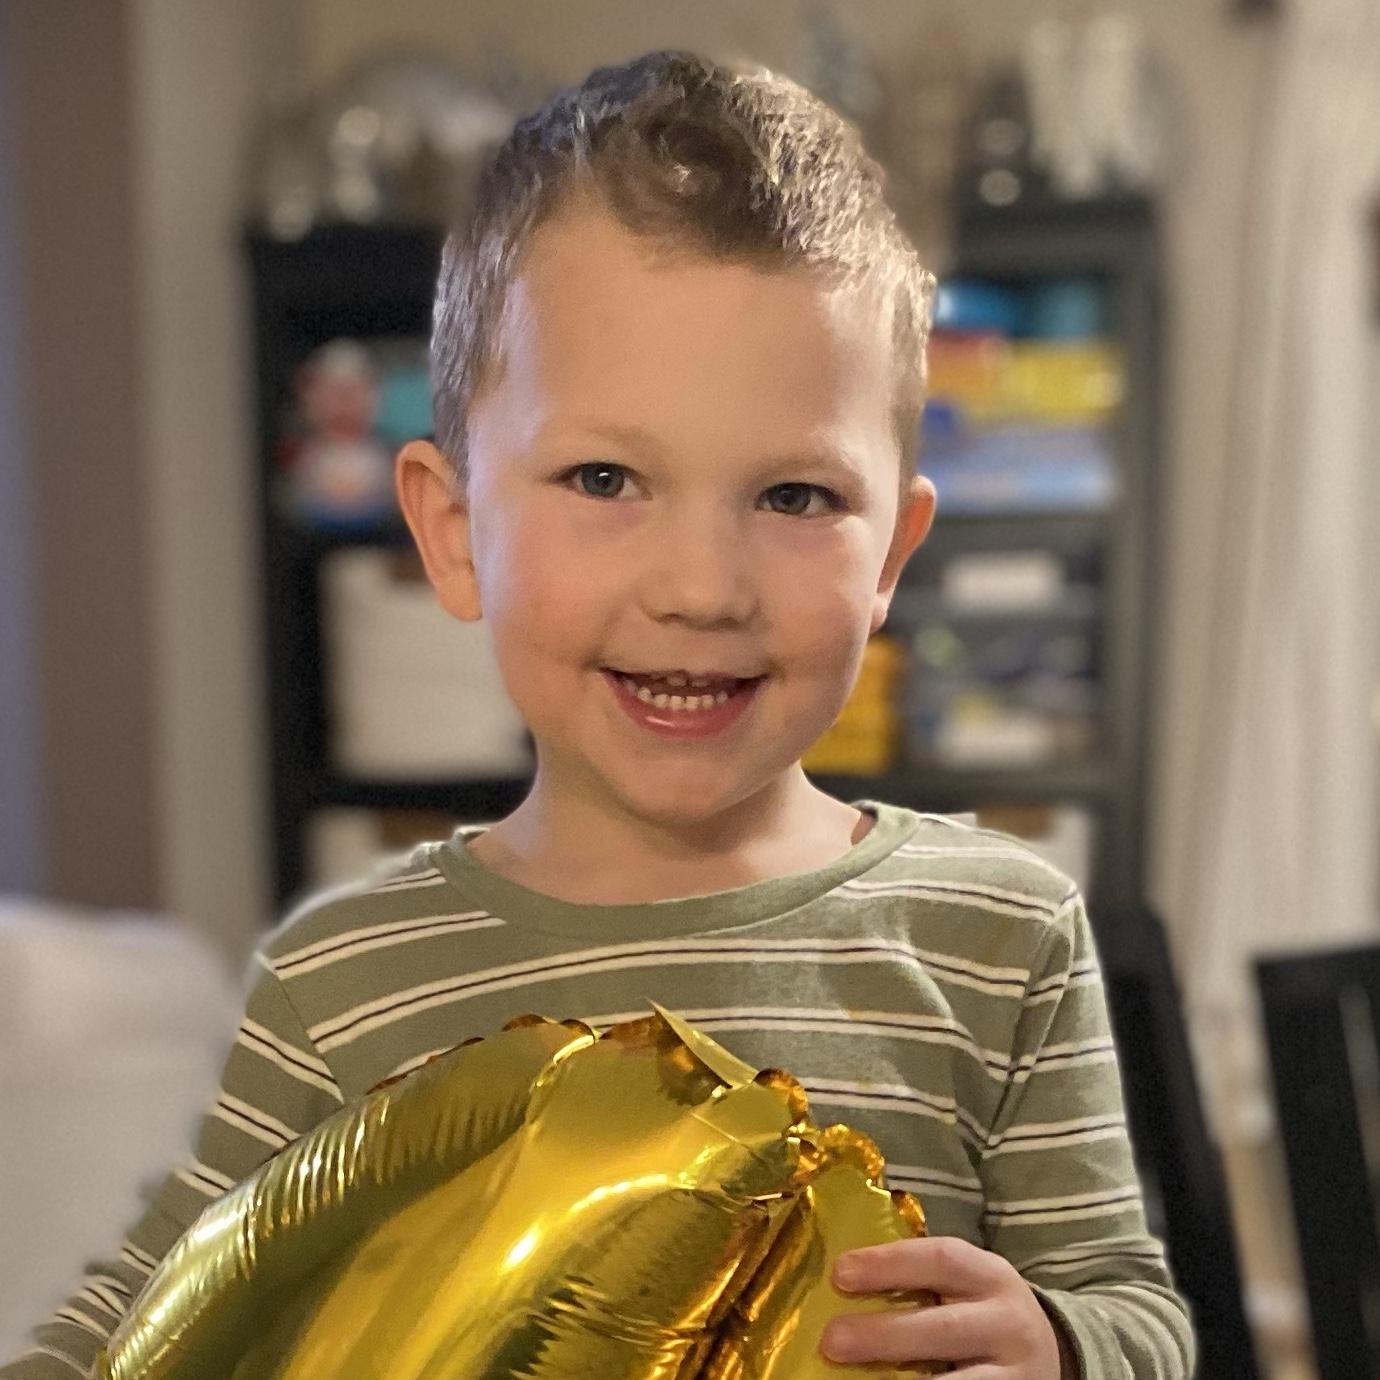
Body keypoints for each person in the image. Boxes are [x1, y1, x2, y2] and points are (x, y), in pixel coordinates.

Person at [2, 50, 1193, 1379]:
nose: (700, 588)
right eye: (606, 478)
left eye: (795, 496)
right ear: (453, 533)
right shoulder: (340, 988)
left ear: (891, 560)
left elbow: (1134, 1305)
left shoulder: (1003, 937)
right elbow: (156, 1311)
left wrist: (1065, 1345)